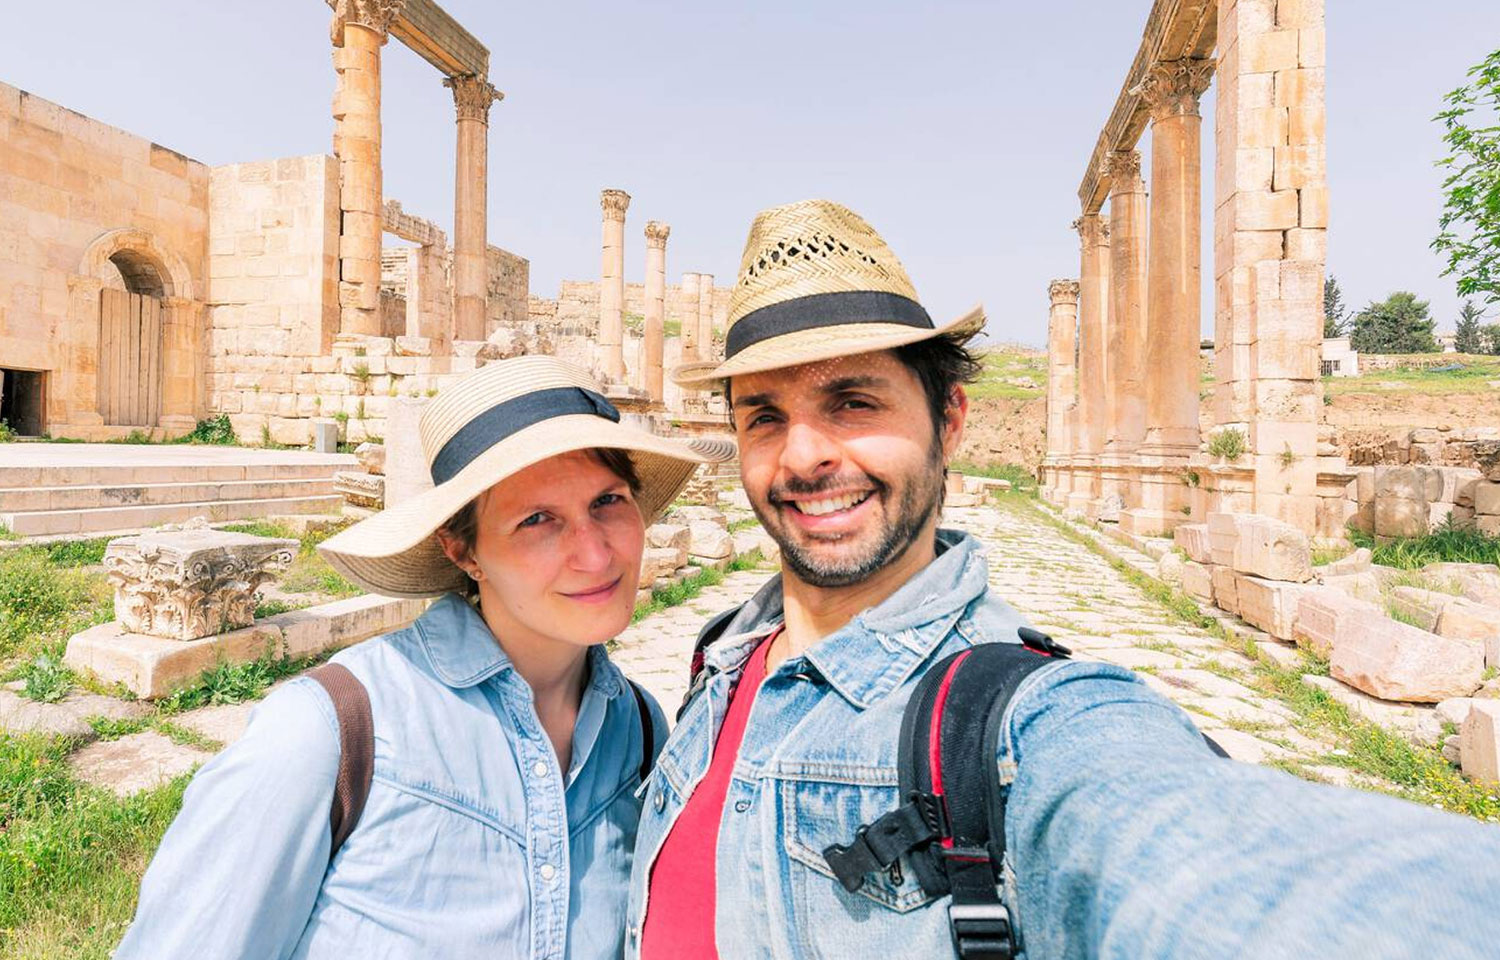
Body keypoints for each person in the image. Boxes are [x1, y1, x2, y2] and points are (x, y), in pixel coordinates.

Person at [627, 199, 1500, 959]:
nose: (806, 455)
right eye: (764, 417)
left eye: (853, 403)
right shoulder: (726, 654)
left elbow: (1181, 840)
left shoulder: (1024, 723)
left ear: (949, 418)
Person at [115, 356, 732, 959]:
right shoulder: (330, 733)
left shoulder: (644, 731)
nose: (596, 556)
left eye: (608, 501)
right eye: (537, 519)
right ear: (463, 551)